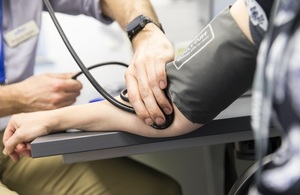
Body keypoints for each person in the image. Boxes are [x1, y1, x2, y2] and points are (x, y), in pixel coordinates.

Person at [0, 0, 182, 194]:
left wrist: (145, 33)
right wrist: (17, 97)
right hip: (17, 135)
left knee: (158, 190)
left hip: (13, 140)